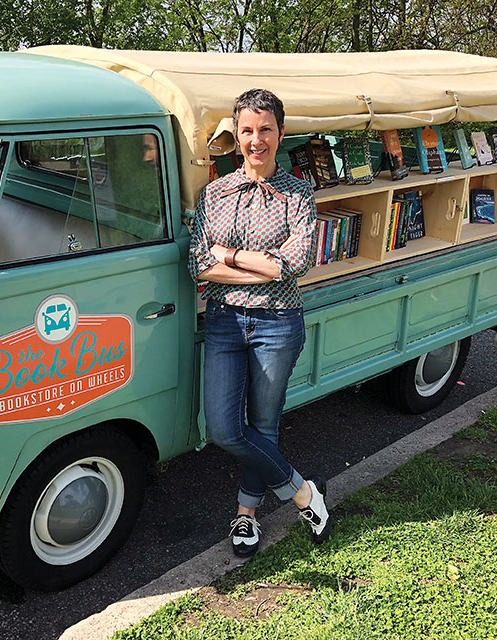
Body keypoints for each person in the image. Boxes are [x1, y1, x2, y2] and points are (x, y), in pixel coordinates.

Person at [187, 89, 330, 557]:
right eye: (247, 130)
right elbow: (198, 266)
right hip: (226, 320)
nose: (256, 140)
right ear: (237, 134)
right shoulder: (215, 193)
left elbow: (294, 263)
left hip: (278, 323)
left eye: (265, 129)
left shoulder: (297, 193)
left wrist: (226, 255)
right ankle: (300, 492)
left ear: (280, 133)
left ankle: (246, 516)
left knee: (264, 424)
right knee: (225, 428)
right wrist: (259, 263)